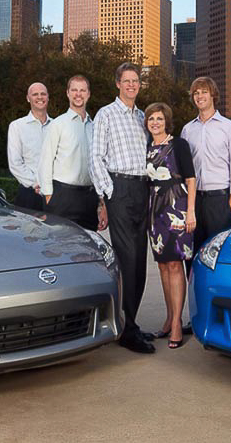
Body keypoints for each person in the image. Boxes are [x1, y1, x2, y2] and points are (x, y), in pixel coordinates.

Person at [90, 62, 154, 354]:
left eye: (135, 81)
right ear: (117, 84)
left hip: (143, 189)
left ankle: (132, 323)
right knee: (127, 260)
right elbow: (96, 158)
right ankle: (126, 330)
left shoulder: (143, 117)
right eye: (126, 81)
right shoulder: (106, 114)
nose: (131, 85)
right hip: (120, 189)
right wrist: (109, 193)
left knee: (140, 261)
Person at [181, 77, 231, 278]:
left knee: (217, 257)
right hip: (194, 202)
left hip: (220, 201)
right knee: (192, 257)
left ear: (213, 95)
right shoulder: (187, 129)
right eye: (196, 93)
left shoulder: (230, 127)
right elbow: (184, 169)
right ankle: (194, 304)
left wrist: (230, 206)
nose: (199, 96)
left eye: (204, 92)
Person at [144, 102, 196, 349]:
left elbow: (191, 179)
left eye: (159, 119)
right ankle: (168, 317)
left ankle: (177, 323)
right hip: (155, 212)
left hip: (178, 207)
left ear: (167, 122)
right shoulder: (147, 147)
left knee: (175, 265)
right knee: (163, 267)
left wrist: (191, 212)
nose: (155, 122)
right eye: (151, 118)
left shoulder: (179, 145)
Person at [38, 76, 105, 231]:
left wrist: (101, 200)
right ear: (67, 93)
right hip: (62, 197)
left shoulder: (94, 127)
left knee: (88, 248)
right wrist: (48, 195)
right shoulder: (57, 124)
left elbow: (100, 163)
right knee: (58, 248)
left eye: (82, 90)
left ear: (89, 94)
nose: (78, 94)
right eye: (74, 90)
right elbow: (45, 161)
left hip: (89, 197)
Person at [7, 82, 51, 211]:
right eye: (35, 94)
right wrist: (35, 183)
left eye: (43, 94)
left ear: (48, 97)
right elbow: (15, 163)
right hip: (30, 194)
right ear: (28, 98)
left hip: (55, 194)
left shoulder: (57, 126)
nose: (39, 97)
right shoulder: (17, 126)